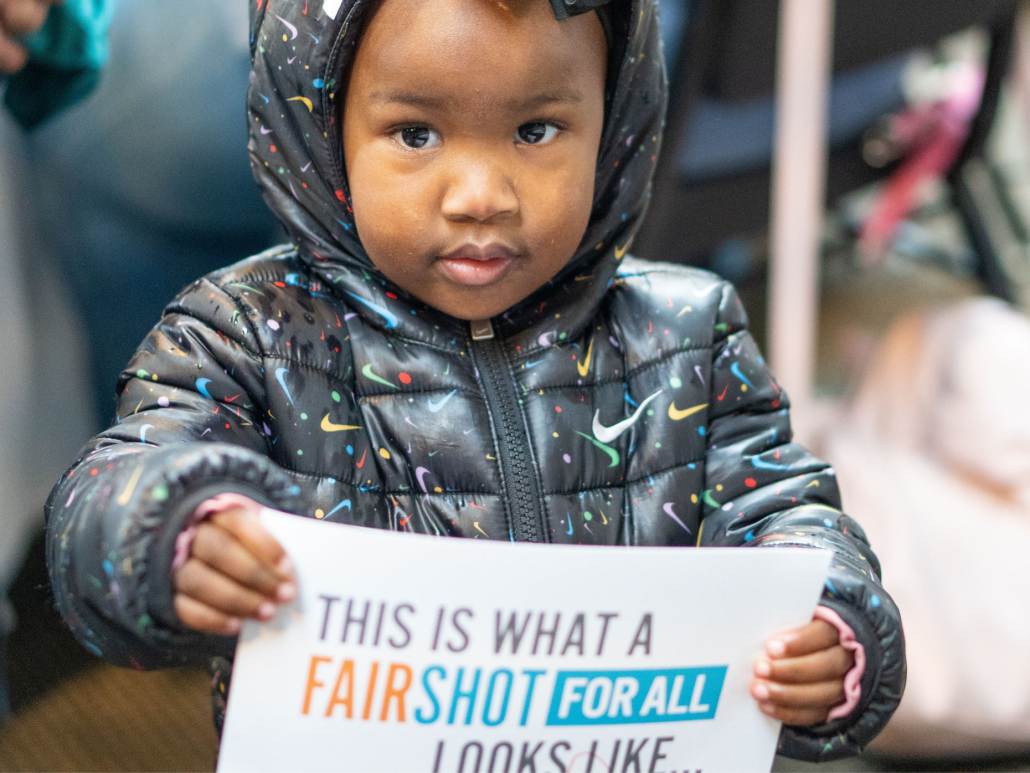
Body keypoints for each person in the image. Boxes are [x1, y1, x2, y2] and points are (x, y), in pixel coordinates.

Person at [44, 0, 905, 762]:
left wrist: (828, 623)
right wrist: (168, 531)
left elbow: (785, 510)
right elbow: (106, 491)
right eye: (416, 133)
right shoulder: (246, 337)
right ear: (320, 127)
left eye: (536, 130)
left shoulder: (686, 332)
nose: (480, 195)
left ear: (615, 120)